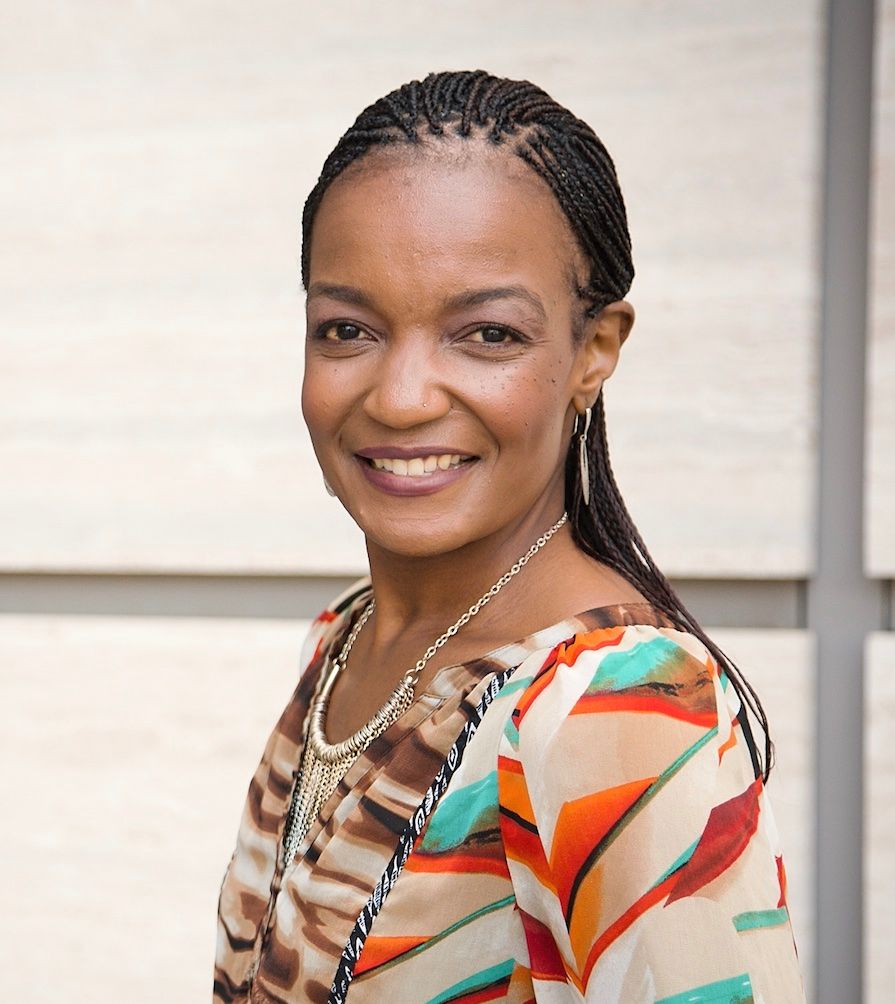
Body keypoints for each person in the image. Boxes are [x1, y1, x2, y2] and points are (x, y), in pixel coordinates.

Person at [214, 70, 804, 1003]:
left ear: (595, 350)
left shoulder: (614, 704)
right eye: (348, 329)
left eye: (486, 334)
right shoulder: (343, 639)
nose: (401, 398)